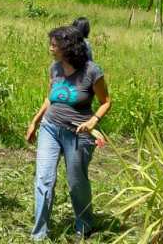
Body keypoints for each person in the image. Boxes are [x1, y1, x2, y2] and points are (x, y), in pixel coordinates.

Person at [26, 26, 111, 241]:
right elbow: (51, 97)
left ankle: (84, 225)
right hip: (50, 128)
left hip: (78, 133)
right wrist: (35, 121)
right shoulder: (54, 68)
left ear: (68, 48)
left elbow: (106, 102)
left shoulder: (92, 71)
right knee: (44, 179)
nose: (50, 49)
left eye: (54, 45)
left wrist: (93, 121)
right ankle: (39, 234)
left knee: (76, 182)